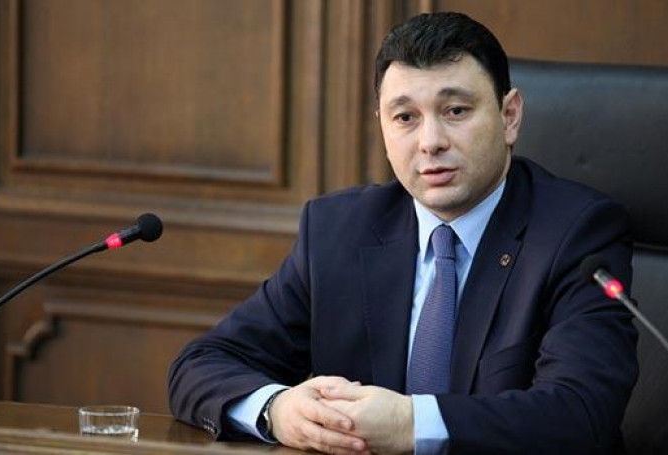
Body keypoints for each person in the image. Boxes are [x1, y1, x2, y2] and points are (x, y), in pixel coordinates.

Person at [168, 12, 638, 455]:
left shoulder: (576, 234)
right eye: (405, 117)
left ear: (509, 115)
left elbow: (582, 412)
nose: (430, 142)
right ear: (382, 126)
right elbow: (201, 364)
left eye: (455, 110)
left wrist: (410, 424)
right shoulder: (338, 230)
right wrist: (278, 410)